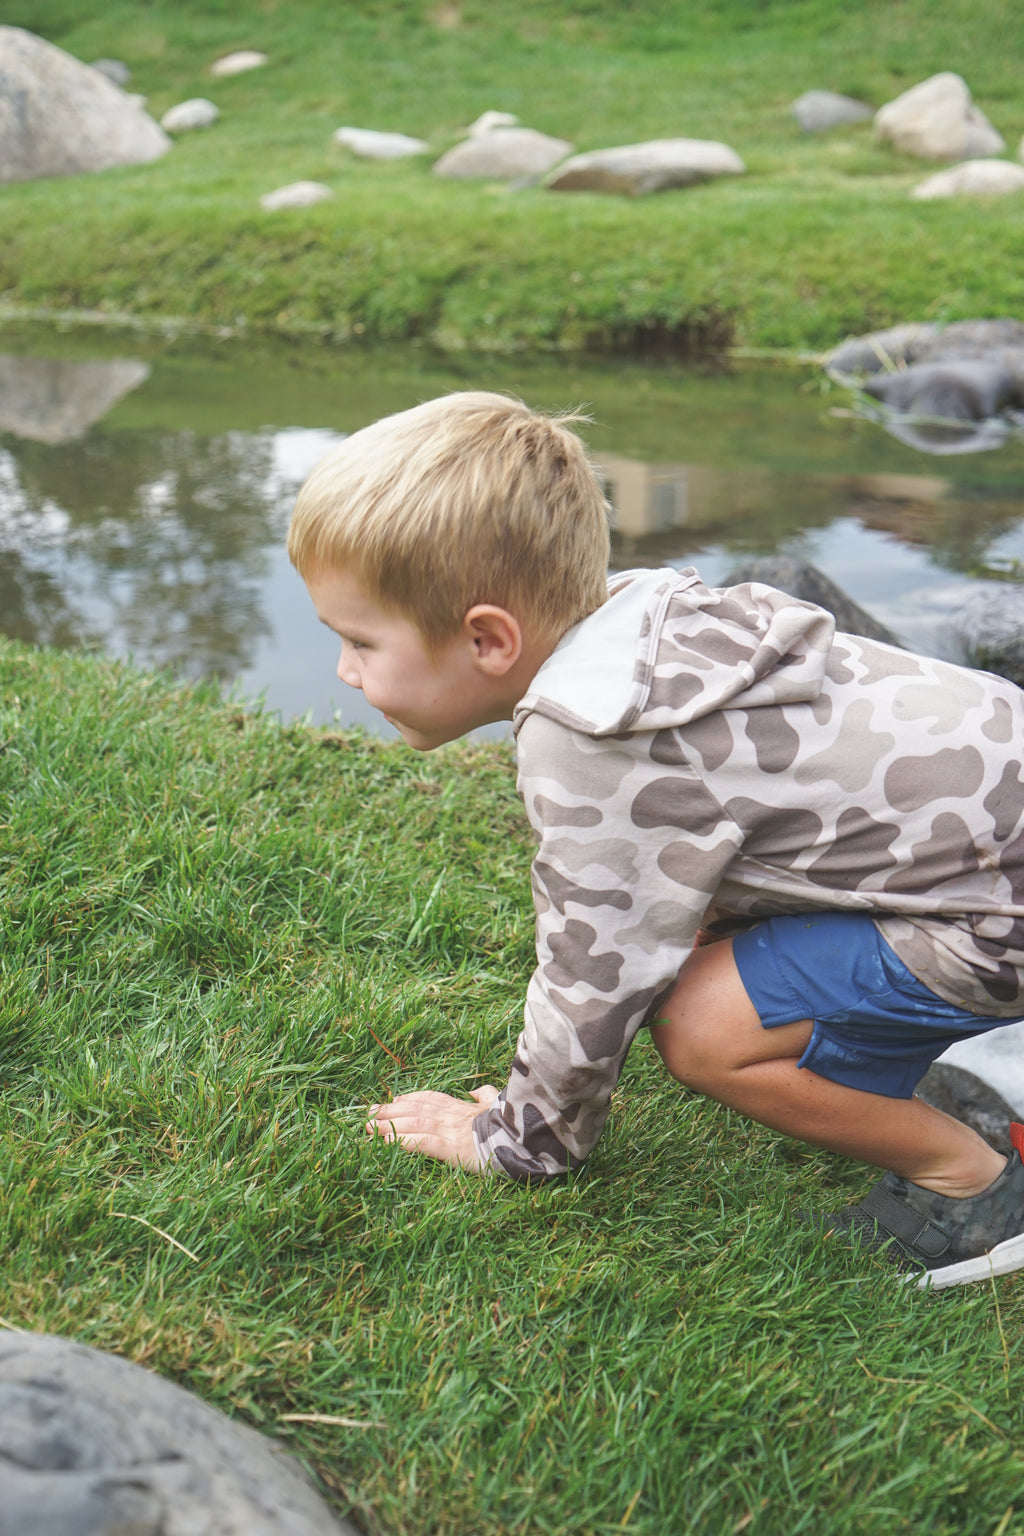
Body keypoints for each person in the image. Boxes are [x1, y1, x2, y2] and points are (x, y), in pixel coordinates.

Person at [287, 390, 1024, 1291]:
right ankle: (877, 1063)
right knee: (713, 950)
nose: (344, 670)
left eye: (360, 640)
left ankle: (975, 1184)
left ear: (487, 638)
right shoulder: (647, 615)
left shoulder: (590, 736)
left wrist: (522, 1139)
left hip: (1000, 916)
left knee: (701, 1029)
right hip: (994, 860)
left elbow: (593, 971)